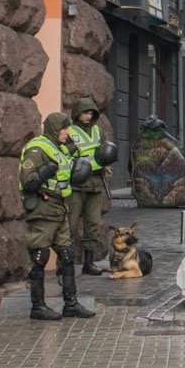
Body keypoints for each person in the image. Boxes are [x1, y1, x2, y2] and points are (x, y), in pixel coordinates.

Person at [18, 113, 96, 321]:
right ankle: (38, 307)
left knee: (67, 255)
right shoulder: (37, 148)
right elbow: (28, 182)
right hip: (43, 208)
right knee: (39, 256)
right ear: (53, 128)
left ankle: (71, 304)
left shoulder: (57, 148)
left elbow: (73, 157)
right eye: (64, 129)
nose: (67, 132)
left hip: (59, 208)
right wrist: (45, 173)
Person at [67, 98, 107, 275]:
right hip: (76, 183)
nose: (88, 116)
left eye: (91, 113)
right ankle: (65, 263)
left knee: (92, 224)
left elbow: (105, 152)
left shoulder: (98, 131)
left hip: (96, 182)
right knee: (70, 223)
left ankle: (88, 262)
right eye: (85, 112)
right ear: (77, 113)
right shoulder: (69, 131)